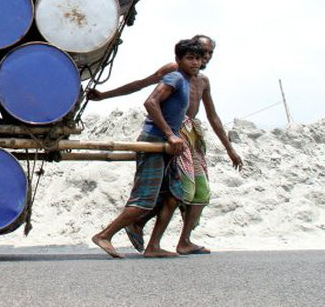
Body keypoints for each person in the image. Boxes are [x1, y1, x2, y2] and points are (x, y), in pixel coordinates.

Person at [88, 35, 244, 255]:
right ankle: (111, 233)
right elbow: (143, 90)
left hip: (182, 137)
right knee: (150, 195)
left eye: (205, 55)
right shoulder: (175, 74)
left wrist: (230, 149)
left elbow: (213, 116)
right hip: (167, 136)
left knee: (177, 193)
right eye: (195, 55)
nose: (201, 59)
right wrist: (104, 96)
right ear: (181, 58)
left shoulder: (200, 80)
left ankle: (162, 243)